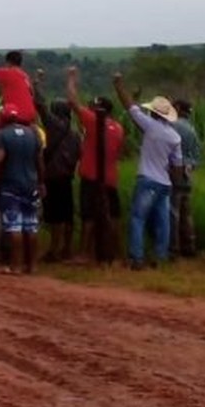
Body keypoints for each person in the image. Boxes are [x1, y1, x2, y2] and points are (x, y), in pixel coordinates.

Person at [112, 74, 183, 270]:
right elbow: (177, 166)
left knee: (137, 218)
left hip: (147, 180)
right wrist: (174, 184)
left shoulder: (150, 126)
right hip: (165, 183)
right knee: (163, 222)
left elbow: (130, 107)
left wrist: (118, 85)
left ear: (154, 113)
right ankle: (160, 256)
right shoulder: (175, 137)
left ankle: (136, 258)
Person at [67, 67, 124, 262]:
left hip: (91, 177)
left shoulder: (92, 120)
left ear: (97, 109)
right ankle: (113, 252)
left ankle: (85, 253)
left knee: (88, 216)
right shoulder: (118, 127)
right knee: (113, 215)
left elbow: (73, 102)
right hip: (111, 178)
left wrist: (72, 79)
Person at [0, 104, 45, 275]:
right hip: (31, 184)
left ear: (3, 118)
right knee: (31, 226)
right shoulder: (32, 133)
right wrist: (41, 182)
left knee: (14, 227)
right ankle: (33, 265)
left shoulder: (1, 135)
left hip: (11, 186)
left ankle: (16, 266)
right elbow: (40, 162)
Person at [35, 91, 80, 263]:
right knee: (67, 214)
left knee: (54, 216)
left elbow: (41, 107)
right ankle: (66, 249)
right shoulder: (75, 133)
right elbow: (78, 155)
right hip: (67, 177)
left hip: (53, 177)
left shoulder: (53, 126)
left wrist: (36, 85)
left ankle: (54, 250)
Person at [170, 99, 202, 258]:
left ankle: (173, 249)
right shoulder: (192, 129)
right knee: (186, 213)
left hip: (175, 173)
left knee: (173, 212)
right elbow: (197, 157)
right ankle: (189, 246)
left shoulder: (173, 126)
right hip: (188, 175)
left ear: (177, 108)